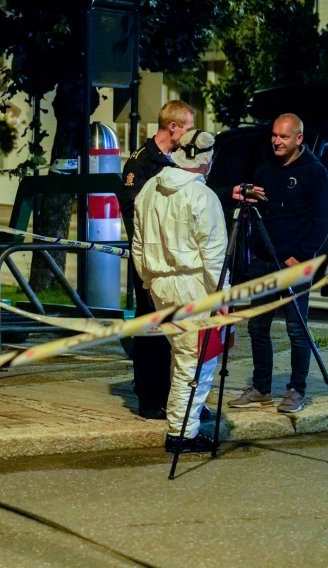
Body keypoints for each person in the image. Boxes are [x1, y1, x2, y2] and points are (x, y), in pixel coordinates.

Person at [132, 129, 227, 453]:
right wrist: (223, 298)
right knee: (196, 360)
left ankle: (181, 420)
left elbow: (138, 244)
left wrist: (147, 281)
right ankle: (182, 432)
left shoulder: (149, 191)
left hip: (160, 285)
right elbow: (214, 257)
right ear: (204, 162)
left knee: (182, 354)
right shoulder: (203, 198)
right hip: (193, 286)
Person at [228, 113, 328, 413]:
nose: (276, 141)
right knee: (257, 326)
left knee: (296, 330)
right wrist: (243, 197)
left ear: (299, 138)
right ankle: (261, 387)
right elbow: (259, 210)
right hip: (263, 260)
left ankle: (297, 389)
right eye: (274, 135)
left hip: (295, 263)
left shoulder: (316, 173)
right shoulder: (264, 169)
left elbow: (322, 221)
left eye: (283, 137)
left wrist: (301, 255)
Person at [120, 100, 195, 419]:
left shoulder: (176, 161)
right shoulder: (141, 164)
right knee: (151, 325)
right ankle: (149, 397)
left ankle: (170, 393)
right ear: (173, 128)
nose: (192, 136)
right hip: (150, 260)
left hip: (173, 261)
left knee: (172, 326)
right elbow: (135, 217)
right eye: (189, 128)